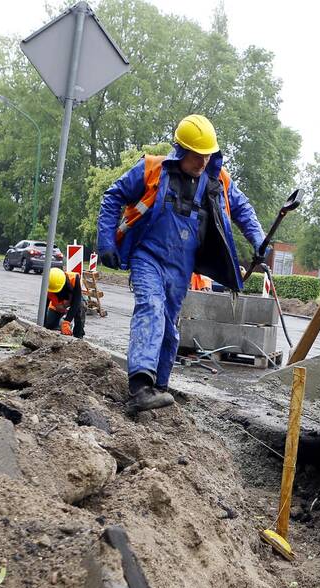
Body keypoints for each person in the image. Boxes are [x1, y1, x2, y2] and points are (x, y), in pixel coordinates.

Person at [96, 114, 266, 413]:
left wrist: (259, 240)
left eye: (207, 156)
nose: (202, 163)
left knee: (169, 325)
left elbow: (242, 209)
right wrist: (106, 241)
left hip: (182, 266)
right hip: (148, 254)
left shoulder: (217, 180)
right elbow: (113, 197)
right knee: (151, 307)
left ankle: (158, 386)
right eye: (197, 156)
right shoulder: (152, 169)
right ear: (181, 150)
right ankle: (139, 385)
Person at [43, 267, 85, 338]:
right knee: (49, 324)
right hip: (57, 304)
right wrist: (43, 325)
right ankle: (61, 325)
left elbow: (76, 301)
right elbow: (44, 306)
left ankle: (78, 334)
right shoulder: (49, 285)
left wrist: (67, 321)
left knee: (80, 306)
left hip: (73, 300)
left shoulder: (74, 278)